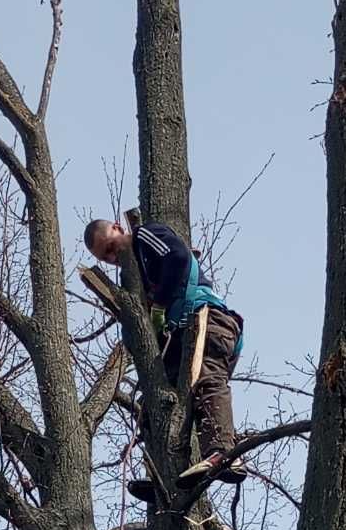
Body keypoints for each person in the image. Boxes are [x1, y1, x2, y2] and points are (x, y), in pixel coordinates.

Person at [83, 210, 246, 503]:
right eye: (104, 257)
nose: (111, 257)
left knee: (206, 379)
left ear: (118, 229)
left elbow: (178, 259)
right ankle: (163, 474)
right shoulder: (131, 276)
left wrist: (158, 304)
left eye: (110, 247)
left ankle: (223, 453)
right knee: (158, 403)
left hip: (207, 322)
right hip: (181, 336)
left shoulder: (145, 236)